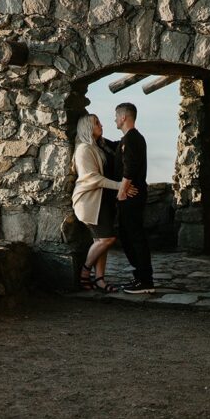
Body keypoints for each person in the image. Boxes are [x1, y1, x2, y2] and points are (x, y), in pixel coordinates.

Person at [71, 113, 132, 292]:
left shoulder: (100, 146)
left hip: (103, 201)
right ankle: (85, 271)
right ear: (88, 127)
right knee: (107, 238)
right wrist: (121, 186)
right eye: (96, 123)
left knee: (100, 241)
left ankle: (100, 280)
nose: (101, 124)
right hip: (89, 201)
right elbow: (92, 178)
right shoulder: (84, 149)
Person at [113, 102, 155, 294]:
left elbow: (130, 168)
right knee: (129, 236)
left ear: (123, 117)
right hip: (132, 195)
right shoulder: (129, 139)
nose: (114, 119)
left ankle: (145, 281)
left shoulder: (132, 139)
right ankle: (140, 277)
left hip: (132, 196)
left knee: (135, 237)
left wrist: (123, 191)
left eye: (116, 116)